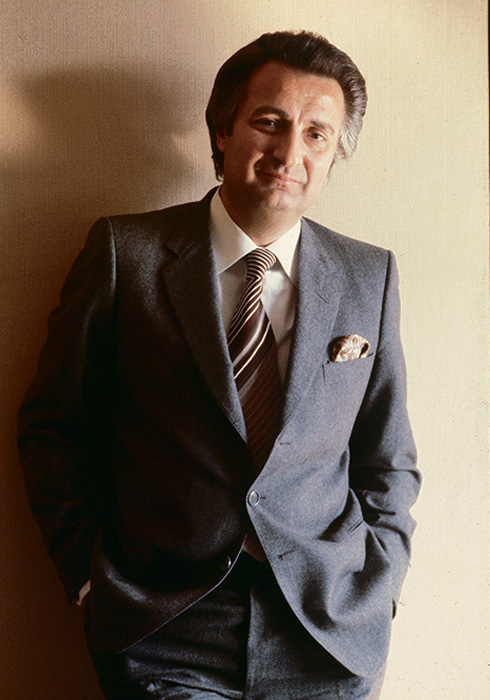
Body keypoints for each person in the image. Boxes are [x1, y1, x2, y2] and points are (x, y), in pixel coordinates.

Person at [17, 30, 421, 700]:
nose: (290, 153)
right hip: (165, 623)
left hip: (327, 628)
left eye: (317, 133)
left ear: (335, 153)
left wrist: (382, 585)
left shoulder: (367, 276)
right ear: (224, 130)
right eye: (270, 122)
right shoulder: (125, 254)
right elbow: (53, 425)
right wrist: (87, 575)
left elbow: (389, 455)